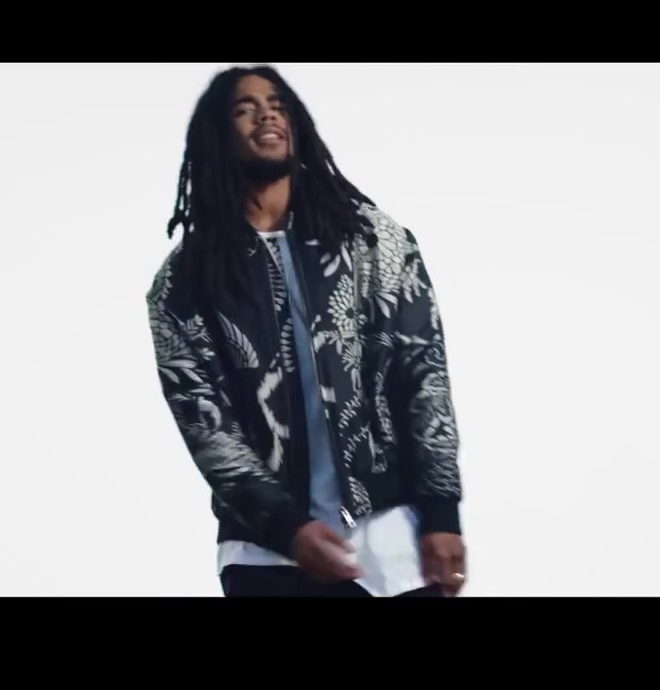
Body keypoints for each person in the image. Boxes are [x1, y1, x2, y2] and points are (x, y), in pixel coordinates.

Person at [145, 65, 466, 597]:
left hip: (391, 539)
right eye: (244, 108)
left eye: (277, 105)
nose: (266, 115)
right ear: (216, 135)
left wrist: (441, 510)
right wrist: (287, 528)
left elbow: (423, 375)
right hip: (265, 553)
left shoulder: (372, 241)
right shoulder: (185, 281)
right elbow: (207, 424)